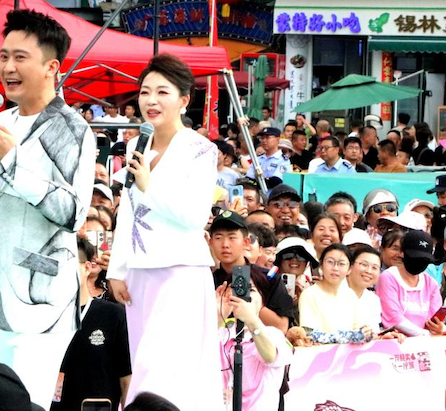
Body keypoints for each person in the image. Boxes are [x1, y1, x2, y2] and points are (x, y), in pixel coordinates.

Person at [0, 9, 95, 407]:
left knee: (27, 403)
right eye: (4, 57)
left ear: (51, 67)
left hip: (40, 300)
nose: (8, 67)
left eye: (20, 57)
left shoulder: (72, 129)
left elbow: (72, 213)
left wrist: (12, 160)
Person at [106, 53, 223, 410]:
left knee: (162, 368)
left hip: (180, 271)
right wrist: (117, 268)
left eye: (162, 92)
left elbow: (194, 215)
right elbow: (128, 209)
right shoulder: (135, 145)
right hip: (139, 272)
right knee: (143, 359)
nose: (151, 101)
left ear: (184, 99)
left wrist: (149, 185)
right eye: (145, 92)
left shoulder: (201, 150)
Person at [51, 236, 131, 411]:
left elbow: (126, 378)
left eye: (68, 263)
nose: (62, 272)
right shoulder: (45, 318)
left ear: (87, 267)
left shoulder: (113, 315)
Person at [216, 266, 292, 411]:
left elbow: (270, 356)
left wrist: (251, 321)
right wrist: (218, 318)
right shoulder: (222, 334)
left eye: (251, 290)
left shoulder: (273, 334)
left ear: (262, 301)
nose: (243, 298)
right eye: (235, 289)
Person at [376, 230, 446, 336]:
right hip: (397, 342)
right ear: (402, 253)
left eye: (424, 259)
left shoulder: (431, 283)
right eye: (415, 257)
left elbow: (434, 319)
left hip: (426, 343)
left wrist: (440, 328)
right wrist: (425, 334)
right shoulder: (388, 277)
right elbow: (393, 317)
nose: (419, 262)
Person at [298, 244, 372, 344]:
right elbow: (310, 335)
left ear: (349, 269)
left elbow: (359, 329)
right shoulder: (309, 294)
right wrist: (352, 336)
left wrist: (368, 334)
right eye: (330, 262)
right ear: (321, 265)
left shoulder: (350, 295)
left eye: (341, 264)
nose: (335, 268)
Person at [347, 245, 384, 333]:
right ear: (350, 266)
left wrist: (383, 337)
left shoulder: (373, 300)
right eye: (364, 265)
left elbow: (373, 333)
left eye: (374, 268)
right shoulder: (333, 292)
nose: (369, 271)